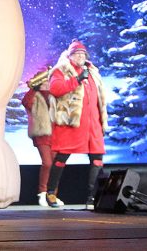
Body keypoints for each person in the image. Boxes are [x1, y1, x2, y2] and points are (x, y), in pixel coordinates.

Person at [44, 40, 108, 210]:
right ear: (70, 55)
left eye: (83, 54)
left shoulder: (92, 71)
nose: (81, 56)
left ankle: (92, 198)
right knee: (62, 156)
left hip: (92, 124)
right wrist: (77, 79)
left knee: (97, 158)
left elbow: (99, 97)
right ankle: (51, 193)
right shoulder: (61, 70)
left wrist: (101, 121)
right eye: (77, 54)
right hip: (72, 123)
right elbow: (56, 89)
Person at [21, 67, 63, 207]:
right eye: (43, 82)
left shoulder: (55, 95)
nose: (46, 84)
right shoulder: (34, 95)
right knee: (47, 163)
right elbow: (26, 102)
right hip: (42, 134)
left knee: (56, 165)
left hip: (56, 135)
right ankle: (42, 192)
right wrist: (33, 88)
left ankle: (53, 195)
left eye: (47, 81)